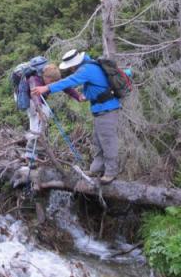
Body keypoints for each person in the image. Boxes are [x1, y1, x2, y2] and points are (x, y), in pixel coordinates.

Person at [32, 49, 120, 184]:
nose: (71, 69)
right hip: (100, 109)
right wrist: (84, 96)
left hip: (107, 109)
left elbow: (69, 81)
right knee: (98, 141)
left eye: (71, 67)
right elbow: (95, 87)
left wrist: (47, 88)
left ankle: (111, 173)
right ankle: (96, 169)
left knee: (108, 142)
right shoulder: (89, 67)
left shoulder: (87, 69)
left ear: (74, 64)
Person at [24, 61, 84, 158]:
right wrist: (39, 110)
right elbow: (35, 97)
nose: (52, 84)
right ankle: (32, 151)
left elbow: (65, 87)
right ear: (46, 77)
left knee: (40, 118)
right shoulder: (35, 79)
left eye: (55, 82)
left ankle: (34, 149)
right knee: (40, 117)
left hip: (37, 101)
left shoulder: (53, 79)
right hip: (29, 99)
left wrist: (78, 97)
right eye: (51, 82)